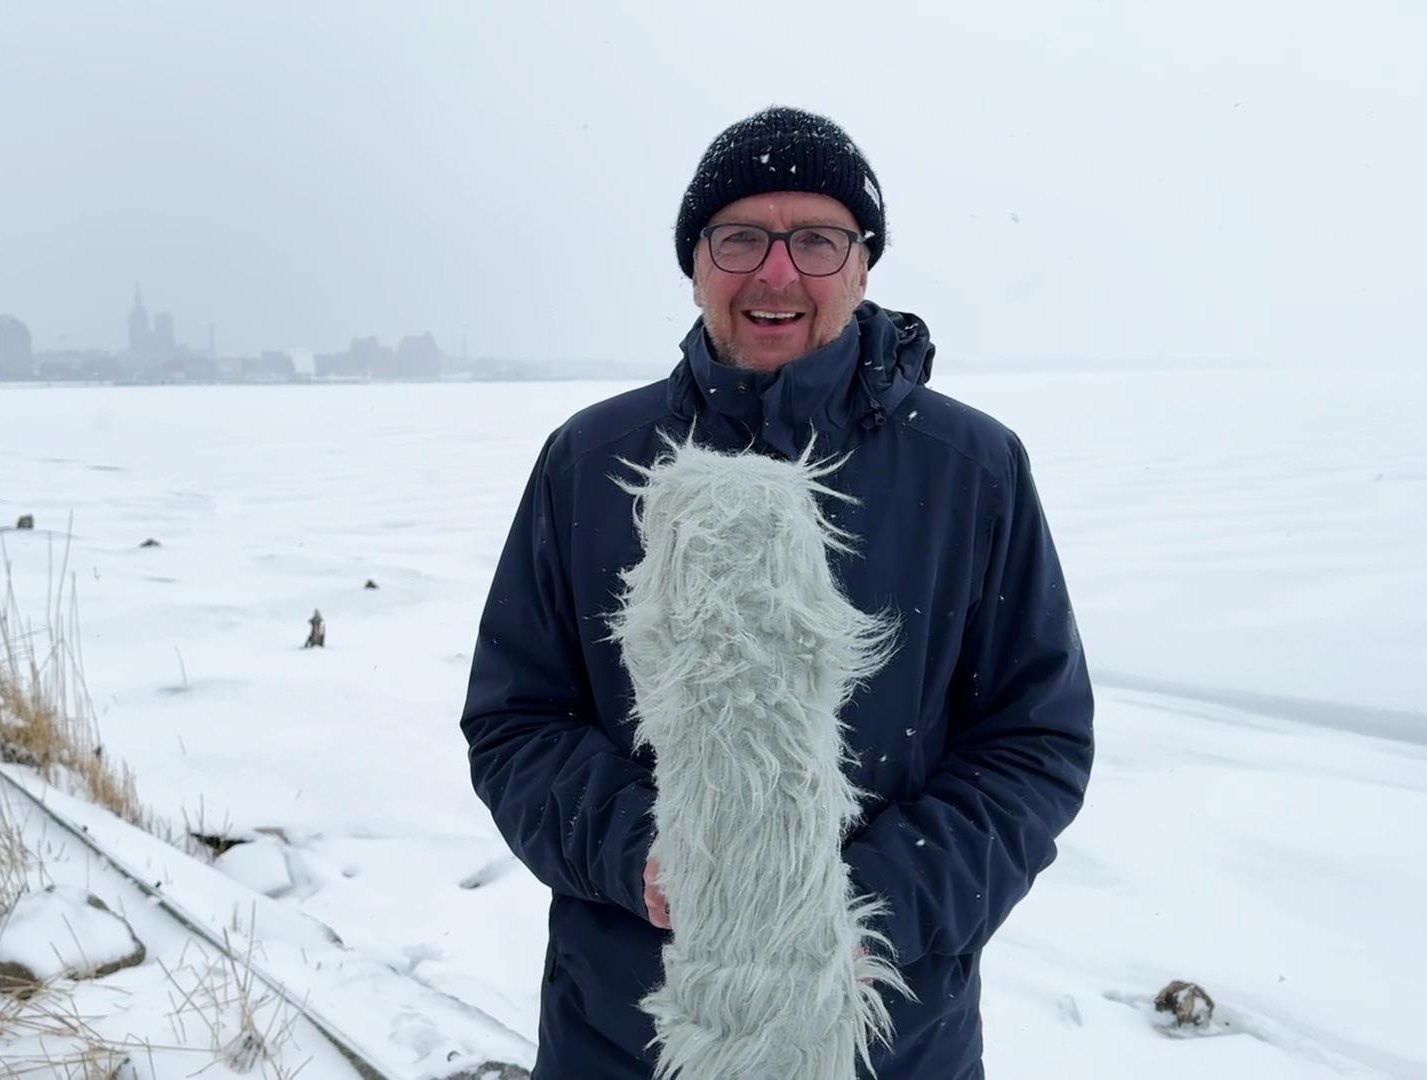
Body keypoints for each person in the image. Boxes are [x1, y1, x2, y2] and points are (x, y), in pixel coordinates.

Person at [460, 105, 1094, 1079]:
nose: (777, 272)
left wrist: (864, 905)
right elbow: (517, 721)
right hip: (624, 1038)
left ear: (863, 265)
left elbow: (1034, 742)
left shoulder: (970, 468)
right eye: (741, 238)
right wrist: (648, 852)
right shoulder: (591, 462)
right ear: (696, 263)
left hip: (891, 1043)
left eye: (817, 240)